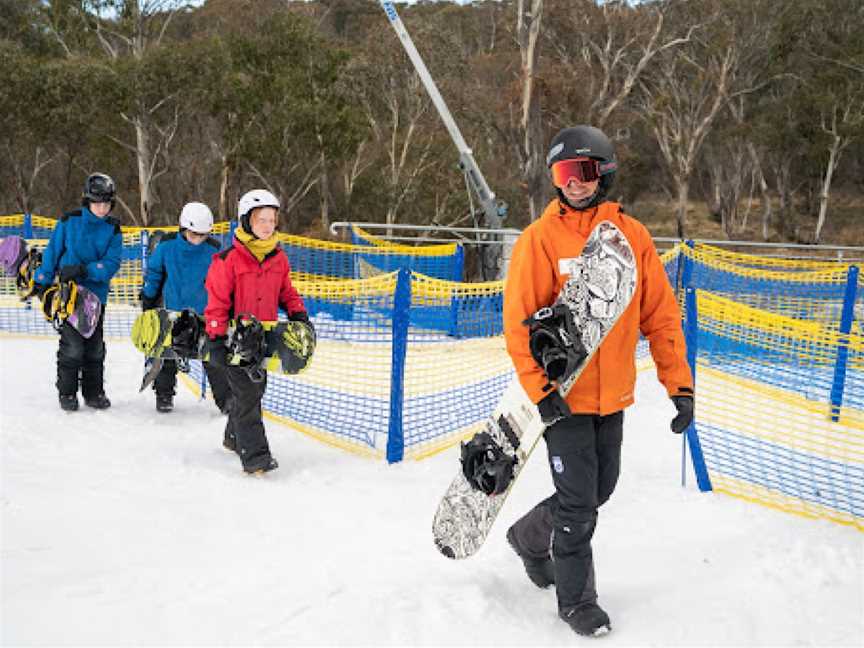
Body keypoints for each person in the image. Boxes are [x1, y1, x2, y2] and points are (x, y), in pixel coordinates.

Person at [502, 126, 695, 637]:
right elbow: (519, 325)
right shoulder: (539, 240)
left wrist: (680, 386)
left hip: (613, 396)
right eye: (565, 174)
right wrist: (541, 394)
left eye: (585, 172)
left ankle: (527, 536)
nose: (575, 184)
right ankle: (577, 600)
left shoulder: (633, 239)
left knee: (598, 489)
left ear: (604, 173)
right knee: (579, 503)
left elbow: (661, 316)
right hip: (562, 400)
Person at [203, 189, 309, 474]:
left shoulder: (279, 259)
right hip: (234, 340)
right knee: (249, 395)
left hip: (263, 339)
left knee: (254, 390)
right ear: (246, 221)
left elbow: (286, 292)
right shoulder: (228, 260)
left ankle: (233, 437)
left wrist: (298, 313)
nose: (267, 225)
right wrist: (215, 338)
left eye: (271, 220)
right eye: (261, 219)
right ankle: (255, 458)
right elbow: (217, 302)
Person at [33, 173, 123, 412]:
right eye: (97, 203)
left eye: (106, 203)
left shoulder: (113, 230)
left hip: (95, 297)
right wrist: (41, 280)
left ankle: (94, 392)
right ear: (87, 201)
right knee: (72, 347)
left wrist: (85, 269)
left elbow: (112, 262)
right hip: (69, 295)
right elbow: (52, 252)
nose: (102, 208)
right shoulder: (69, 221)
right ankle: (67, 392)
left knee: (94, 347)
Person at [140, 202, 231, 414]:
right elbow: (154, 274)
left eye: (202, 235)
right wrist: (148, 297)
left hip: (204, 314)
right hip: (172, 311)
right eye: (193, 234)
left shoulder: (214, 250)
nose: (198, 240)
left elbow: (223, 282)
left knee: (212, 358)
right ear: (183, 228)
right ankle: (164, 395)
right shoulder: (166, 246)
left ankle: (226, 400)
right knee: (167, 354)